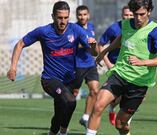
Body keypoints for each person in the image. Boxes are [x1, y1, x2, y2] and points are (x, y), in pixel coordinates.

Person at [7, 1, 95, 135]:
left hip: (69, 79)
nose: (63, 21)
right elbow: (20, 44)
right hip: (50, 79)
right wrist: (13, 67)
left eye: (66, 18)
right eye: (60, 17)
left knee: (60, 110)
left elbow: (93, 52)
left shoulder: (76, 30)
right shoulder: (44, 31)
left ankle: (53, 132)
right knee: (70, 101)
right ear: (53, 16)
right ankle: (64, 132)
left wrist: (93, 46)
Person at [86, 0, 157, 135]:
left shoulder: (155, 31)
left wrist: (142, 62)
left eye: (142, 14)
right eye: (135, 14)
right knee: (98, 106)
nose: (138, 18)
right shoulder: (126, 24)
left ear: (149, 12)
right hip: (120, 74)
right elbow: (121, 38)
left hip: (138, 83)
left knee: (120, 124)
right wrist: (104, 52)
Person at [98, 5, 133, 126]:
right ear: (122, 15)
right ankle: (123, 119)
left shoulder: (138, 29)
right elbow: (100, 44)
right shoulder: (114, 29)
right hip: (116, 67)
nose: (128, 17)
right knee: (123, 93)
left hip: (131, 67)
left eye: (130, 15)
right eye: (126, 15)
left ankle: (114, 107)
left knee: (136, 96)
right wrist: (108, 64)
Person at [73, 5, 99, 128]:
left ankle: (85, 117)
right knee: (72, 95)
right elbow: (71, 46)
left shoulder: (91, 27)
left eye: (84, 14)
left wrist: (97, 54)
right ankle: (63, 120)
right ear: (76, 16)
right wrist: (86, 45)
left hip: (90, 64)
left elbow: (94, 44)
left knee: (94, 91)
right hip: (77, 65)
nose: (82, 17)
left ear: (88, 15)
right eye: (80, 15)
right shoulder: (73, 28)